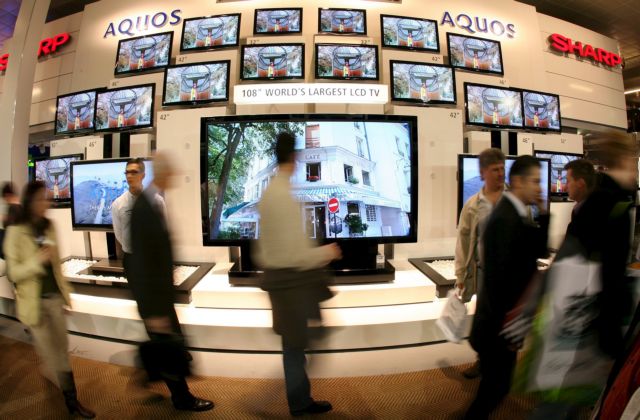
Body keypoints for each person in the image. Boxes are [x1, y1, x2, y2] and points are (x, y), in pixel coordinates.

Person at [254, 132, 342, 417]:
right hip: (290, 286)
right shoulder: (282, 197)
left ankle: (300, 399)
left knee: (293, 347)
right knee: (295, 348)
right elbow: (294, 254)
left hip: (281, 283)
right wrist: (326, 253)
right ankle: (300, 403)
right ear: (294, 157)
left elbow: (265, 249)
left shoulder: (271, 193)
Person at [466, 155, 550, 419]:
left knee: (496, 388)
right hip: (498, 327)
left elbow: (536, 250)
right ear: (518, 181)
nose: (539, 188)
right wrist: (510, 333)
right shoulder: (505, 218)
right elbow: (501, 283)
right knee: (495, 389)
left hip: (502, 325)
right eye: (535, 181)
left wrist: (544, 212)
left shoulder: (515, 212)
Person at [128, 153, 213, 412]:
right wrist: (154, 311)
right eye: (171, 172)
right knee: (169, 350)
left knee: (169, 347)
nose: (175, 177)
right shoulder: (144, 207)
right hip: (155, 300)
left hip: (159, 297)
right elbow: (141, 261)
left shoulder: (152, 202)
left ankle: (149, 375)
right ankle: (182, 399)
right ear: (162, 173)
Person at [3, 181, 95, 418]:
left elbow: (56, 268)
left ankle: (71, 400)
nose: (47, 202)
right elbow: (14, 272)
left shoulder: (49, 226)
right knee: (54, 356)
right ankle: (71, 400)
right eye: (42, 198)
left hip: (54, 300)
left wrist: (65, 296)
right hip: (34, 305)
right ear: (31, 201)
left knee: (61, 352)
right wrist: (36, 261)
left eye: (47, 198)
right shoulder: (16, 231)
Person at [454, 148, 506, 379]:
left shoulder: (515, 201)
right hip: (484, 273)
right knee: (484, 321)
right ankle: (483, 361)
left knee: (505, 321)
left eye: (502, 168)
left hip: (508, 273)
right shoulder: (472, 205)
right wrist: (460, 275)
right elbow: (463, 242)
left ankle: (501, 366)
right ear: (483, 172)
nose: (500, 173)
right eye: (495, 169)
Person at [111, 158, 164, 275]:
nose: (129, 176)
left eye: (134, 172)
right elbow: (119, 233)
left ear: (143, 175)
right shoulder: (118, 204)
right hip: (131, 259)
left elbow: (163, 229)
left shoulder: (157, 201)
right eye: (127, 172)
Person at [0, 182, 21, 260]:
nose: (5, 201)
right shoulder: (20, 206)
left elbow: (10, 228)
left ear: (7, 195)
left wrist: (4, 219)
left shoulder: (13, 208)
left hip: (13, 245)